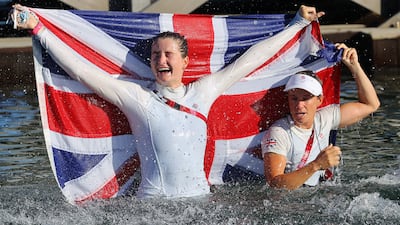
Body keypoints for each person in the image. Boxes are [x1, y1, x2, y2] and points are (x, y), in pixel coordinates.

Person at [11, 4, 324, 198]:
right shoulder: (136, 97)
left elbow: (251, 60)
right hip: (154, 209)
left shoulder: (203, 92)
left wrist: (297, 24)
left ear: (185, 62)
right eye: (155, 55)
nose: (161, 59)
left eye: (168, 54)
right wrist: (38, 28)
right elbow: (81, 70)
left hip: (201, 206)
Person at [261, 44, 380, 190]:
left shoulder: (325, 118)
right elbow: (275, 184)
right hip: (287, 204)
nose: (299, 105)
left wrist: (354, 67)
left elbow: (371, 105)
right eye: (294, 98)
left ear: (319, 100)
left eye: (306, 98)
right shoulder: (279, 132)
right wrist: (317, 165)